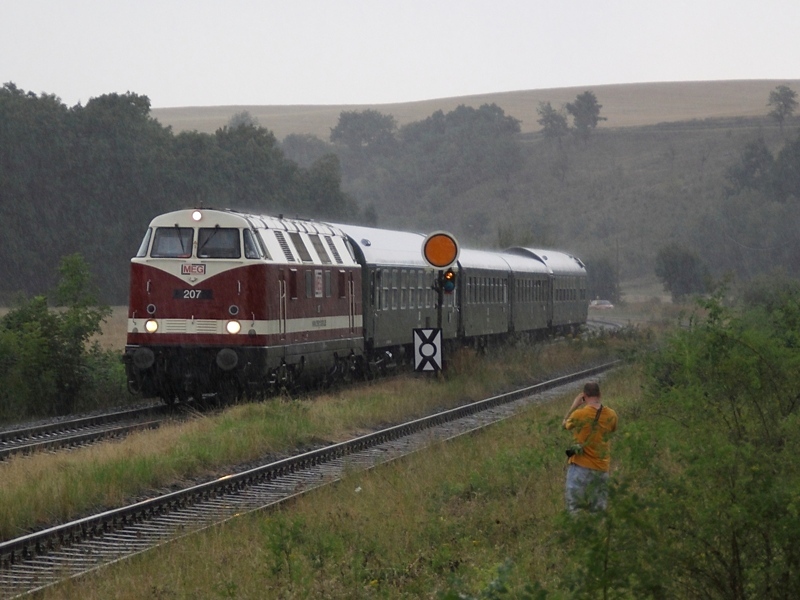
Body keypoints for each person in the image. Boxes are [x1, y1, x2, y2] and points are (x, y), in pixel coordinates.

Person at [562, 382, 618, 513]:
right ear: (600, 394)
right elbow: (612, 429)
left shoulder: (579, 414)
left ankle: (576, 533)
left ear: (584, 396)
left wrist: (574, 406)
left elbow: (564, 424)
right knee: (598, 512)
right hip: (601, 468)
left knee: (574, 510)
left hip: (579, 468)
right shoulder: (611, 415)